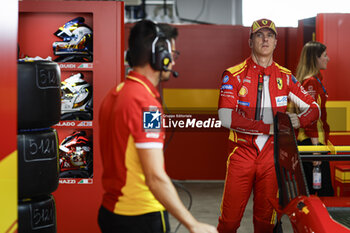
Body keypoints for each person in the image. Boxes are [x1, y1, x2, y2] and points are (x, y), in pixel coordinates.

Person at [98, 19, 217, 233]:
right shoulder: (146, 105)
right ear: (159, 57)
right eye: (172, 55)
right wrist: (192, 223)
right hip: (140, 217)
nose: (172, 63)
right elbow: (154, 177)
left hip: (111, 212)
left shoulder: (113, 94)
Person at [217, 18, 320, 233]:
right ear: (250, 41)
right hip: (241, 153)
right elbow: (226, 118)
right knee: (228, 223)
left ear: (276, 42)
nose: (265, 39)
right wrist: (269, 127)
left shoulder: (285, 76)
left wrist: (299, 120)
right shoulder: (233, 75)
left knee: (265, 223)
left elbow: (314, 109)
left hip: (271, 157)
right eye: (259, 35)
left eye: (270, 35)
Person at [295, 41, 334, 196]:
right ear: (315, 58)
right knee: (321, 193)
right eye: (325, 55)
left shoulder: (315, 81)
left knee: (317, 191)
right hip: (311, 144)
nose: (328, 59)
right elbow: (309, 117)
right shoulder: (310, 82)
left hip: (315, 143)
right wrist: (315, 150)